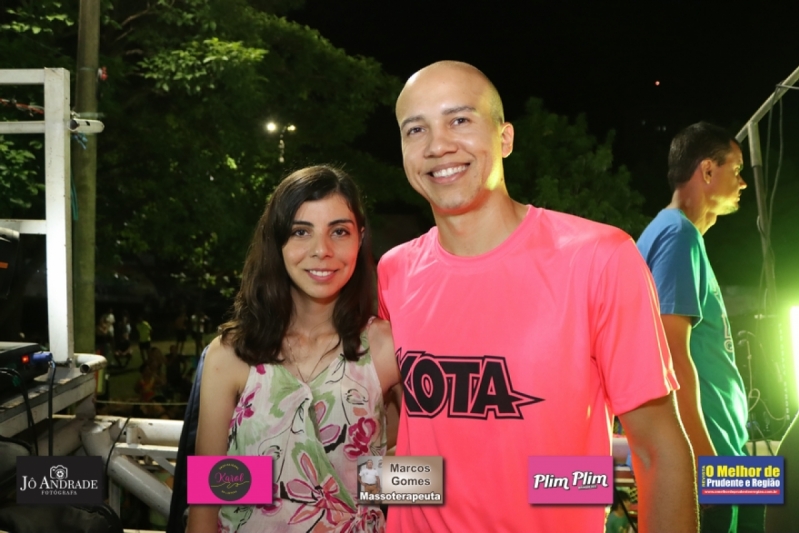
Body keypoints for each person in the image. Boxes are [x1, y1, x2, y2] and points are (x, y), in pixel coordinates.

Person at [377, 61, 697, 533]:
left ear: (504, 138)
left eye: (459, 120)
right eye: (416, 129)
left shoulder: (599, 257)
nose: (437, 145)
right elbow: (406, 437)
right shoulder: (393, 272)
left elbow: (656, 451)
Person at [187, 166, 401, 533]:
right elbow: (207, 504)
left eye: (339, 231)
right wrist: (278, 481)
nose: (322, 250)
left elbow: (424, 481)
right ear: (277, 241)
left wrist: (356, 482)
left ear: (360, 239)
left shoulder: (387, 348)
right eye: (301, 231)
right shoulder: (231, 355)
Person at [636, 122, 749, 533]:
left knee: (778, 495)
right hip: (708, 461)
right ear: (707, 171)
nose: (743, 183)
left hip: (724, 457)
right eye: (736, 169)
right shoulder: (676, 235)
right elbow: (671, 357)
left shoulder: (676, 235)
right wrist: (704, 462)